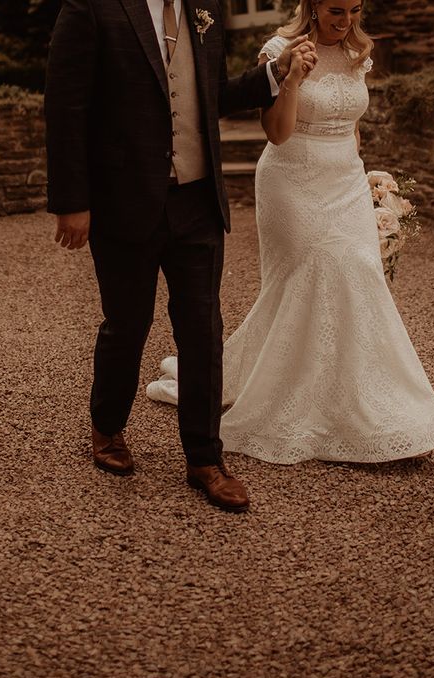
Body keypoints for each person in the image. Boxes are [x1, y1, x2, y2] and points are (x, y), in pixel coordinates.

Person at [147, 0, 434, 464]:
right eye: (335, 9)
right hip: (292, 180)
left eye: (354, 10)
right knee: (315, 275)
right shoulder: (280, 48)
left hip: (345, 182)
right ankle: (298, 400)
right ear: (312, 5)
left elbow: (353, 126)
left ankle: (367, 402)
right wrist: (291, 80)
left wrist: (364, 180)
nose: (345, 20)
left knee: (360, 269)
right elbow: (277, 133)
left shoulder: (359, 53)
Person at [44, 0, 318, 513]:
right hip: (123, 201)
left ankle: (204, 458)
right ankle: (107, 428)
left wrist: (274, 74)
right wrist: (71, 202)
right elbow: (66, 106)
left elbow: (211, 95)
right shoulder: (92, 7)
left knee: (202, 328)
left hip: (197, 200)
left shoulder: (204, 8)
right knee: (127, 323)